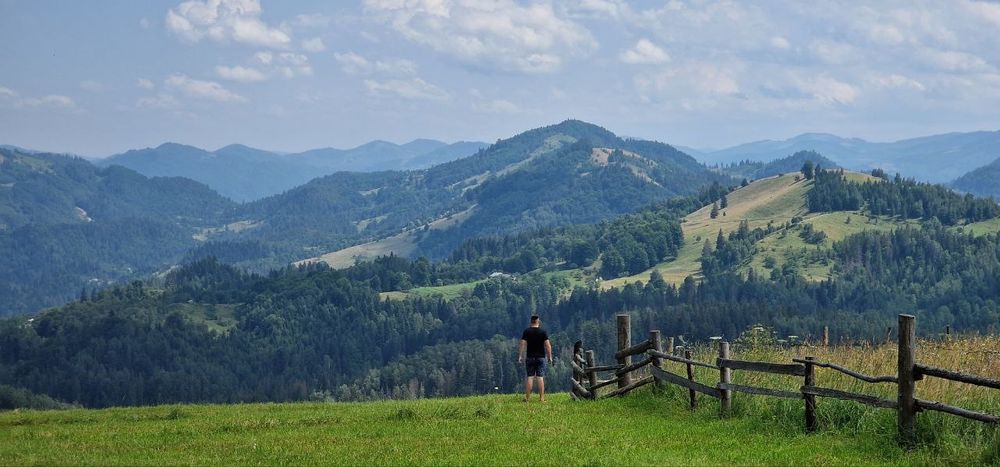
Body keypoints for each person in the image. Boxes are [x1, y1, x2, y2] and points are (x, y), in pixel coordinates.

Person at [518, 315, 553, 402]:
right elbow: (548, 346)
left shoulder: (527, 331)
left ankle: (527, 398)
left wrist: (520, 356)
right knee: (540, 377)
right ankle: (541, 399)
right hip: (541, 357)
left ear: (531, 321)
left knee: (530, 377)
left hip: (530, 357)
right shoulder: (543, 332)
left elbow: (522, 344)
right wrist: (550, 357)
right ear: (538, 321)